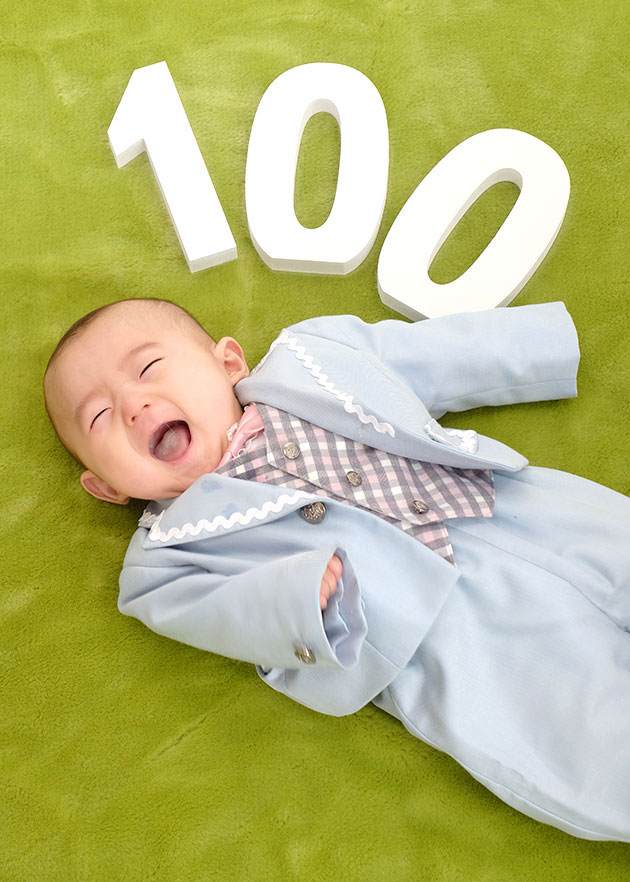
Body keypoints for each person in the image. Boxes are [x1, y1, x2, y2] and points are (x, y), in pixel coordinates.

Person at [44, 297, 630, 842]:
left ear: (228, 363)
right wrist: (299, 599)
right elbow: (224, 614)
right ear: (106, 487)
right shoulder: (163, 563)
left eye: (149, 368)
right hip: (445, 638)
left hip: (511, 508)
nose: (133, 405)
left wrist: (540, 341)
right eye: (99, 417)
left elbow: (432, 354)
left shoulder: (310, 358)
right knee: (582, 739)